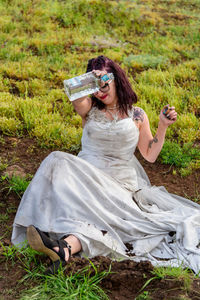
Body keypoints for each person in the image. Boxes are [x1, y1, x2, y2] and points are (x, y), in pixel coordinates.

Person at [12, 55, 200, 275]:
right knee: (56, 159)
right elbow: (74, 94)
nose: (100, 90)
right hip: (85, 179)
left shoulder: (137, 114)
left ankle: (64, 248)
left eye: (104, 82)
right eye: (95, 86)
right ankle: (50, 237)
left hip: (119, 186)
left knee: (99, 219)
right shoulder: (89, 107)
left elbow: (149, 155)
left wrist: (163, 125)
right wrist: (91, 79)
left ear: (116, 78)